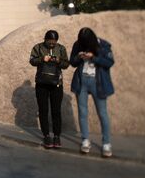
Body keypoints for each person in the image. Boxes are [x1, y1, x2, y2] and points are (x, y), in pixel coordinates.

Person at [69, 27, 115, 157]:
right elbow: (72, 62)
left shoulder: (103, 45)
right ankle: (85, 140)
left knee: (102, 113)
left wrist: (94, 58)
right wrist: (78, 57)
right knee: (82, 112)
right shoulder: (78, 44)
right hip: (81, 81)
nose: (84, 46)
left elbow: (109, 62)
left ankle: (106, 143)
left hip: (98, 82)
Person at [29, 30, 69, 149]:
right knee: (43, 110)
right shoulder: (38, 47)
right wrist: (42, 59)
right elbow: (32, 61)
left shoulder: (61, 48)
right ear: (45, 39)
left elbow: (66, 64)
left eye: (54, 42)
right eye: (49, 41)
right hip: (41, 83)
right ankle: (46, 135)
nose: (52, 44)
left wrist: (58, 61)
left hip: (57, 84)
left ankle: (57, 136)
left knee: (56, 111)